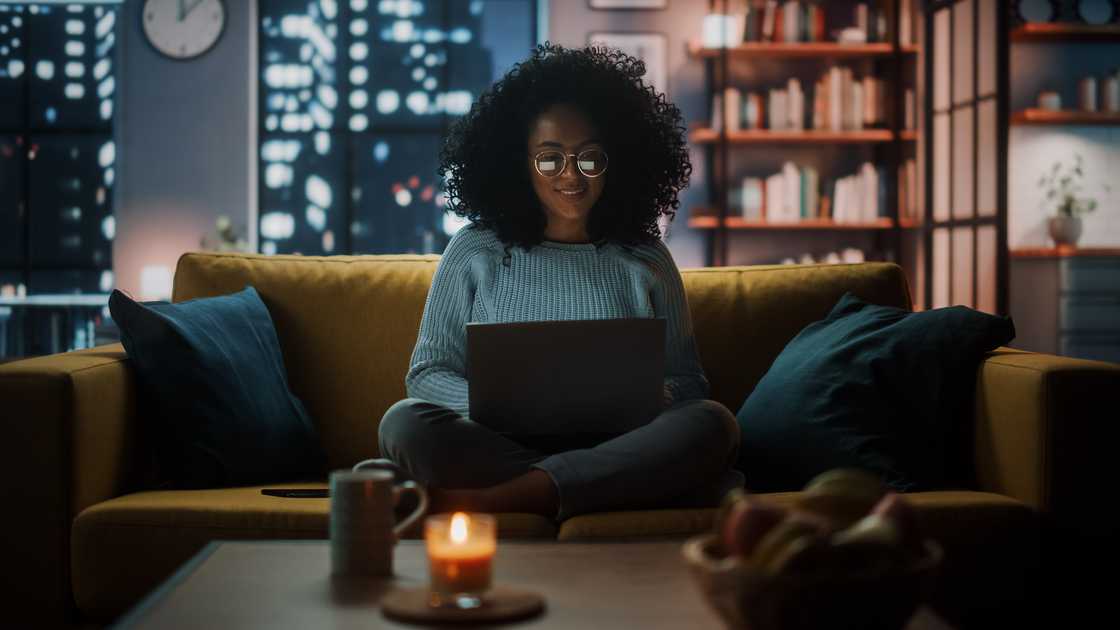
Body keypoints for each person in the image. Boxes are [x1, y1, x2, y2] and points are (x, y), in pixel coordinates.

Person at [374, 43, 742, 521]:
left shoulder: (647, 257)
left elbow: (690, 381)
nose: (571, 175)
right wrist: (495, 406)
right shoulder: (473, 249)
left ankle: (494, 500)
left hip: (621, 440)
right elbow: (426, 375)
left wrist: (658, 395)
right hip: (507, 442)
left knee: (713, 423)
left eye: (590, 158)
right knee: (402, 423)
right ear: (519, 163)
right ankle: (590, 486)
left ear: (618, 160)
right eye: (549, 159)